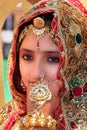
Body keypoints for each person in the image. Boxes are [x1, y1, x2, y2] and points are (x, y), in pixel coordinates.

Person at [0, 0, 87, 129]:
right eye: (27, 57)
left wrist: (41, 121)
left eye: (53, 59)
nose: (35, 73)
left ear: (76, 62)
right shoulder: (7, 117)